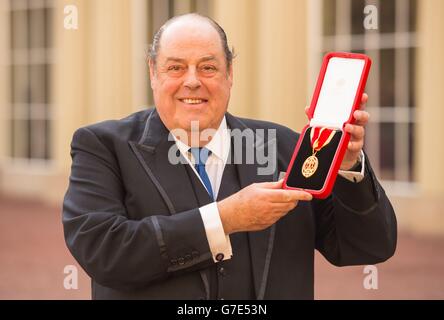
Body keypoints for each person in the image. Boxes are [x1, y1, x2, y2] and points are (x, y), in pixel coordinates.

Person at [62, 13, 397, 300]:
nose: (192, 81)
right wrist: (224, 220)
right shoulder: (102, 146)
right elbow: (104, 252)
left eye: (208, 67)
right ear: (154, 73)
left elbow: (368, 248)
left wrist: (350, 167)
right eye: (176, 67)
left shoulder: (285, 147)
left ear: (230, 73)